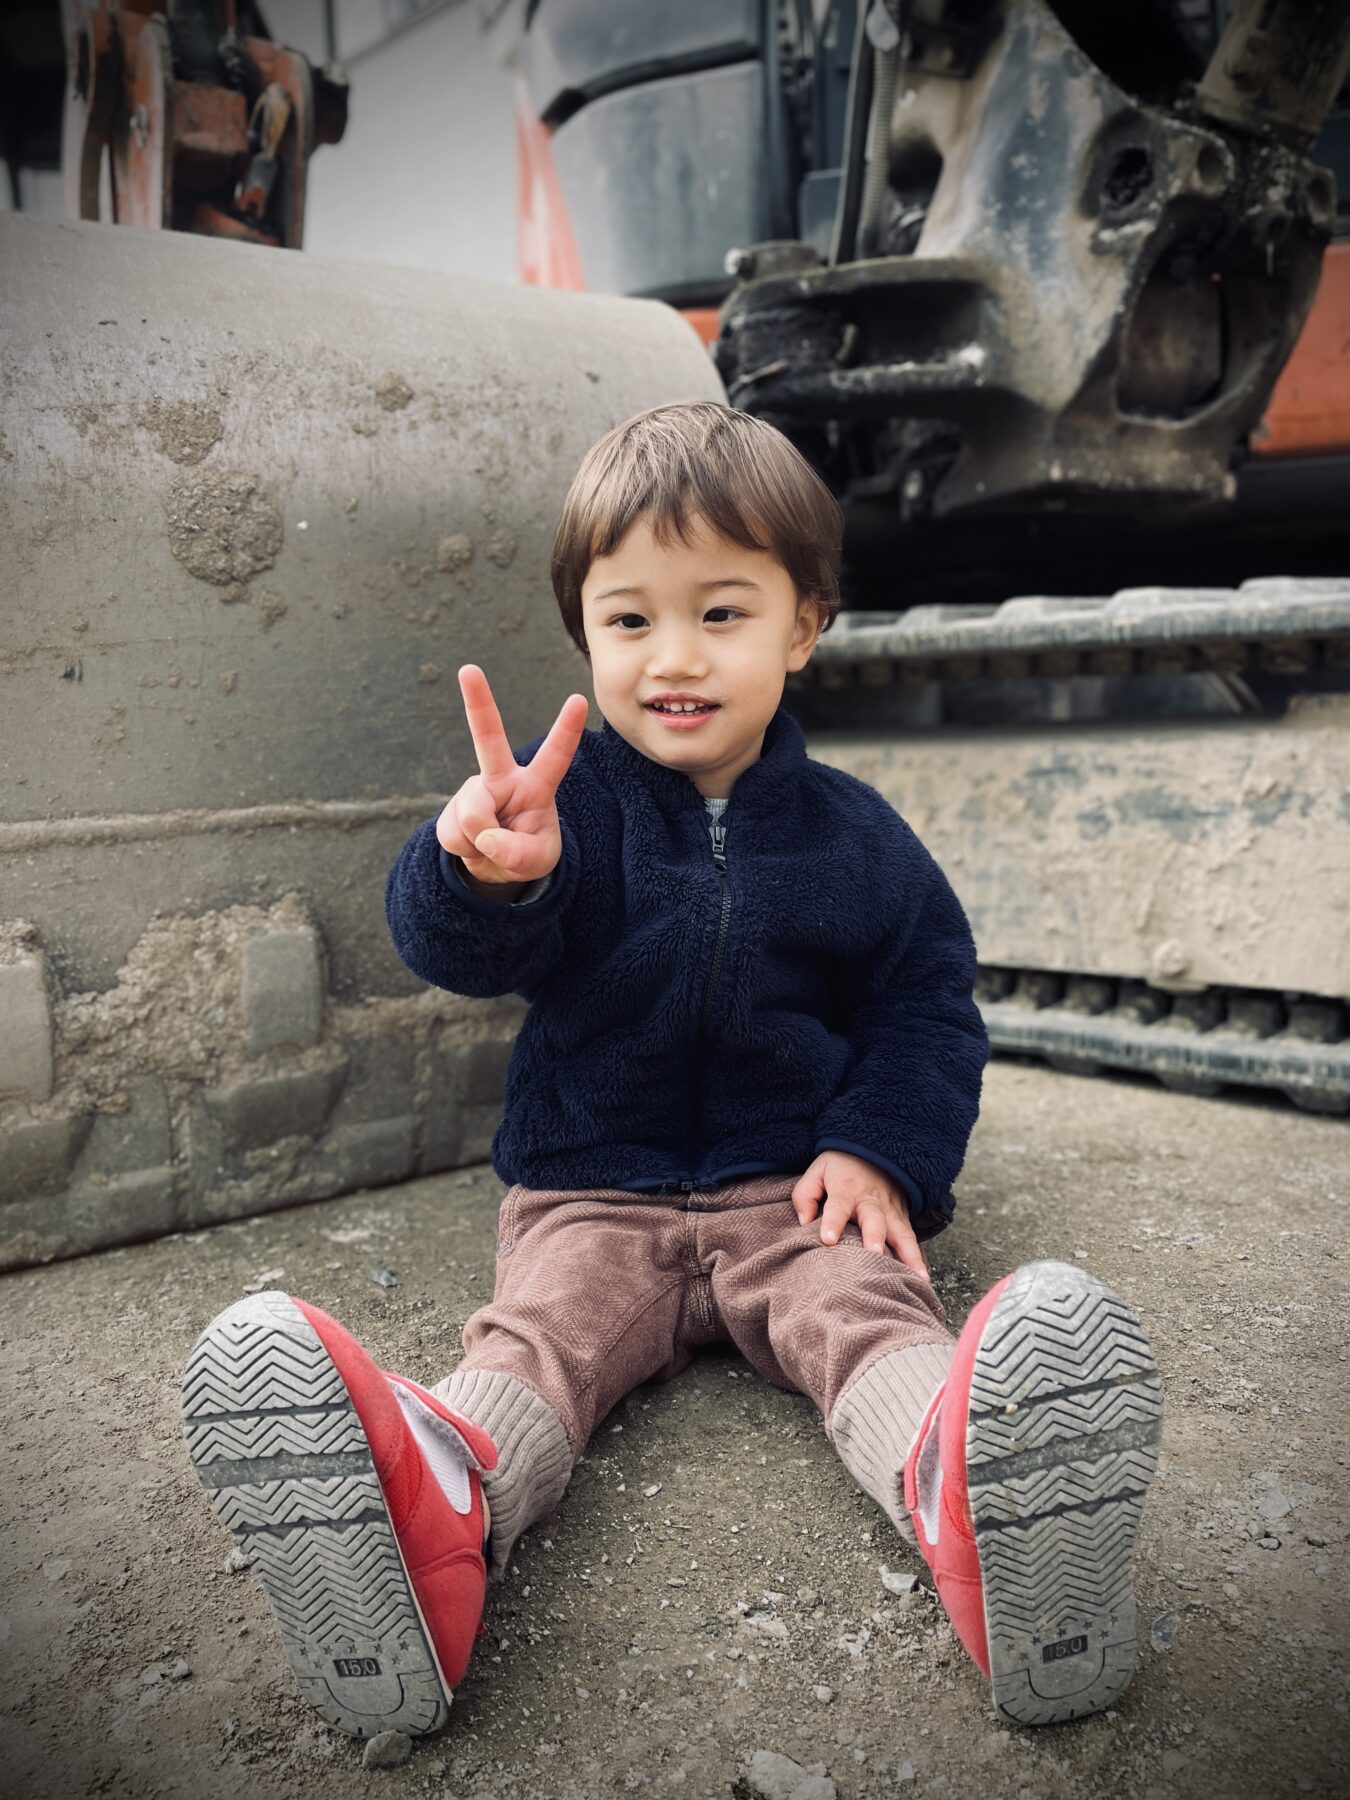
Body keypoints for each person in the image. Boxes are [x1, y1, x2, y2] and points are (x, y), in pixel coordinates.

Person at [181, 401, 1162, 1739]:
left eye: (722, 612)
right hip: (590, 1189)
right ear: (585, 634)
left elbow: (925, 1004)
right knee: (536, 1339)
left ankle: (970, 1490)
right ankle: (439, 1508)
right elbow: (454, 953)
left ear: (803, 626)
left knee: (870, 1316)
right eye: (631, 619)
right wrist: (478, 871)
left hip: (790, 1187)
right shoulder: (560, 809)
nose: (674, 655)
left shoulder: (856, 837)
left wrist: (879, 1146)